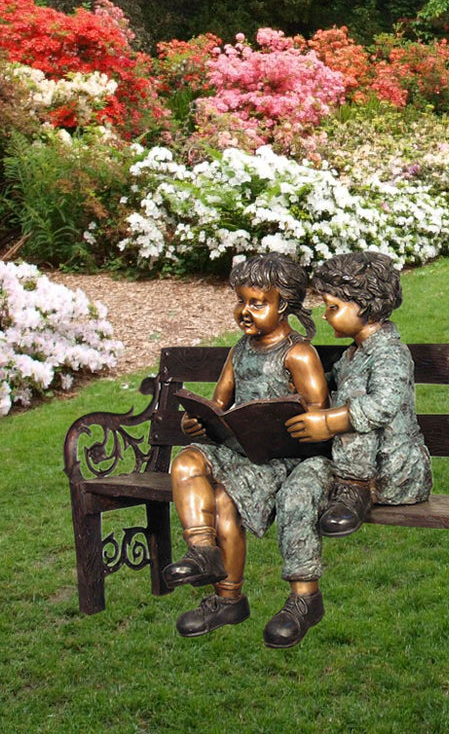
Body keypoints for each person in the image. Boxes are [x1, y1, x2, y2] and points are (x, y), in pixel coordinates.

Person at [163, 252, 330, 646]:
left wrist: (297, 419)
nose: (244, 311)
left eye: (257, 303)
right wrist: (197, 420)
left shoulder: (298, 353)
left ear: (283, 305)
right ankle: (202, 552)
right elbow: (220, 403)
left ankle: (229, 598)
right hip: (239, 448)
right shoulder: (239, 350)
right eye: (240, 301)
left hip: (281, 457)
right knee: (186, 461)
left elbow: (319, 418)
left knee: (225, 498)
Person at [286, 250, 432, 538]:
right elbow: (337, 381)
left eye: (333, 307)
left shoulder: (390, 353)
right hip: (362, 462)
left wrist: (328, 422)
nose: (325, 315)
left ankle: (354, 491)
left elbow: (381, 406)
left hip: (393, 469)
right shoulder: (355, 353)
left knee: (358, 415)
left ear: (366, 307)